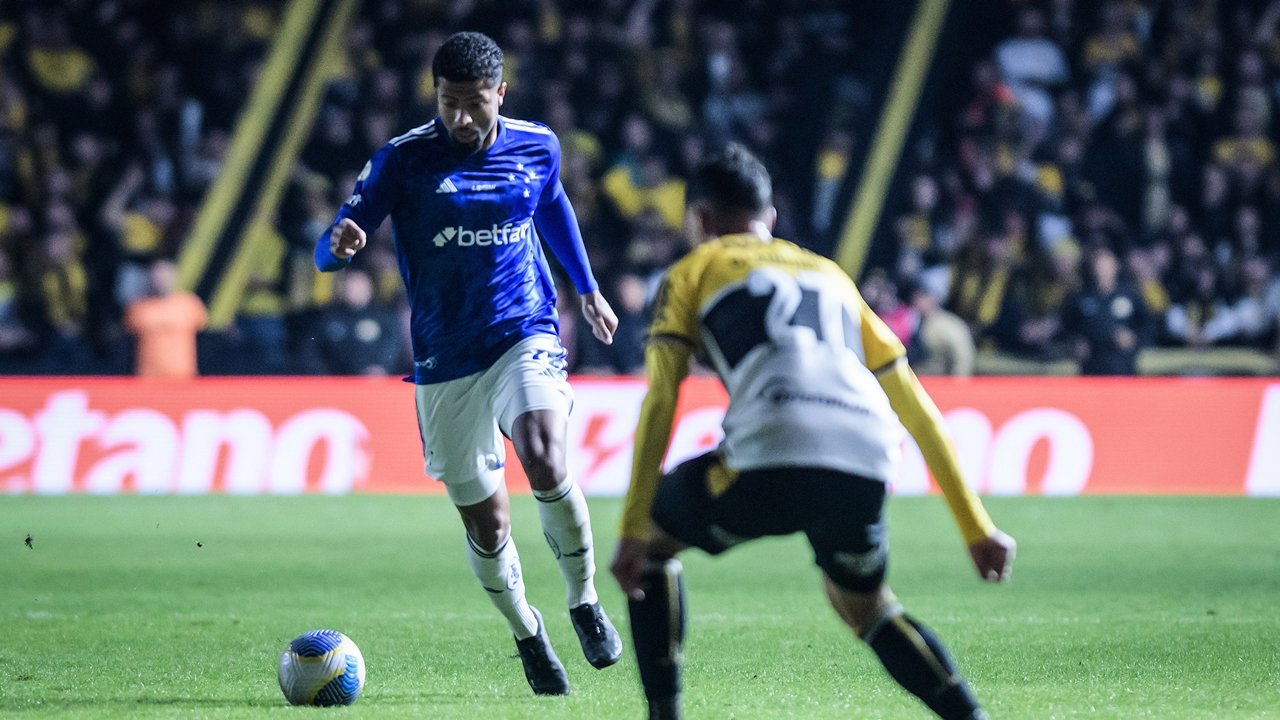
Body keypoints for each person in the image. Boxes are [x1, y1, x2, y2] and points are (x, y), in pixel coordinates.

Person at [610, 144, 1016, 720]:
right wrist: (978, 528)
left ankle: (663, 716)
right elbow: (918, 409)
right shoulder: (831, 276)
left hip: (770, 452)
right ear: (769, 219)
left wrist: (630, 527)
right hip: (869, 456)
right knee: (866, 606)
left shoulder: (692, 270)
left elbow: (661, 401)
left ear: (699, 220)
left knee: (652, 547)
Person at [315, 32, 623, 695]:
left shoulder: (536, 146)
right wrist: (337, 247)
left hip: (525, 331)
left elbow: (552, 205)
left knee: (545, 452)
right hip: (445, 357)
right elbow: (327, 245)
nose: (461, 118)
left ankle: (584, 599)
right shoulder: (402, 161)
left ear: (500, 94)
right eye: (450, 102)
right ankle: (528, 631)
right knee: (488, 523)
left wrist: (588, 288)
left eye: (475, 103)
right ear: (436, 95)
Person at [123, 259, 207, 378]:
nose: (162, 281)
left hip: (183, 377)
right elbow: (127, 341)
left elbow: (204, 337)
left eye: (166, 277)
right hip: (148, 377)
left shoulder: (189, 305)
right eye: (157, 277)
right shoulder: (139, 308)